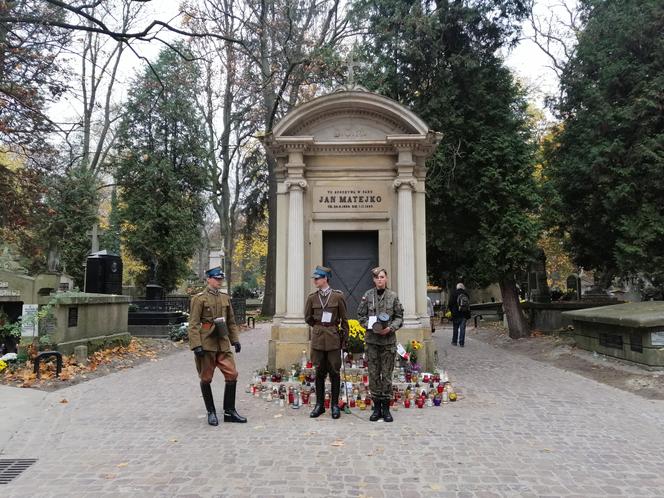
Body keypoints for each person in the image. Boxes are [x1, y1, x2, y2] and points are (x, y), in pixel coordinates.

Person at [188, 267, 246, 426]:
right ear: (208, 279)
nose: (219, 281)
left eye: (221, 279)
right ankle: (211, 412)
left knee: (232, 374)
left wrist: (235, 340)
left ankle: (229, 411)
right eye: (216, 278)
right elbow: (193, 324)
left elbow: (231, 322)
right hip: (206, 343)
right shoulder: (199, 299)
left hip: (223, 342)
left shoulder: (225, 298)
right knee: (206, 378)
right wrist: (196, 345)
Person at [357, 267, 403, 422]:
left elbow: (399, 316)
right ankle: (376, 408)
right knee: (374, 375)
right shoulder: (367, 296)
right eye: (377, 278)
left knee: (387, 376)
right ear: (373, 280)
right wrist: (369, 326)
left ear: (386, 278)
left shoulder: (393, 296)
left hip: (388, 342)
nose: (379, 280)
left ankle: (386, 409)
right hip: (372, 342)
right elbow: (360, 315)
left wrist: (391, 328)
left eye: (382, 277)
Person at [304, 265, 349, 419]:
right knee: (319, 372)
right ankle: (319, 405)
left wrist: (345, 340)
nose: (315, 280)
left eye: (317, 278)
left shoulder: (337, 297)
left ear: (325, 279)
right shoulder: (312, 298)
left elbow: (344, 320)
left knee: (335, 372)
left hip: (333, 339)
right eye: (315, 278)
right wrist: (319, 328)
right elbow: (308, 318)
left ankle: (335, 405)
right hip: (318, 339)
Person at [448, 282, 471, 347]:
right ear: (463, 287)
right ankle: (461, 343)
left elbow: (450, 304)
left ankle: (454, 341)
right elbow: (468, 304)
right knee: (462, 328)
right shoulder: (466, 293)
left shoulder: (454, 293)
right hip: (464, 313)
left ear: (457, 287)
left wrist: (451, 311)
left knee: (455, 328)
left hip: (455, 313)